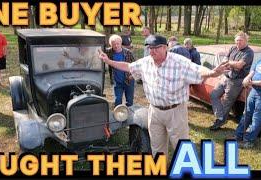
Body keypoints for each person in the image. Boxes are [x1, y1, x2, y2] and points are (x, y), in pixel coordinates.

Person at [98, 35, 229, 158]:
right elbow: (128, 66)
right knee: (156, 146)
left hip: (175, 112)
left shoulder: (179, 62)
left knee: (181, 145)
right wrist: (108, 61)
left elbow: (197, 69)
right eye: (150, 48)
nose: (152, 51)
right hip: (154, 111)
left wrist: (212, 73)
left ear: (165, 47)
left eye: (156, 48)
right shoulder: (146, 62)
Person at [209, 31, 254, 131]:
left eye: (240, 41)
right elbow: (225, 59)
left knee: (226, 102)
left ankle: (219, 122)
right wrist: (228, 63)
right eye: (237, 41)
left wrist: (229, 63)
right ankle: (220, 116)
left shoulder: (249, 52)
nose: (238, 43)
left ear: (246, 41)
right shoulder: (233, 48)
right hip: (225, 77)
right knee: (213, 94)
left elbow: (239, 65)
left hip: (237, 81)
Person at [234, 56, 261, 149]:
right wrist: (246, 79)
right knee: (246, 113)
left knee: (257, 117)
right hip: (254, 91)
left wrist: (252, 83)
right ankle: (238, 136)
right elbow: (252, 72)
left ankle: (248, 141)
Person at [105, 35, 135, 107]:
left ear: (121, 43)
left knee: (129, 101)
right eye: (113, 44)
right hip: (117, 81)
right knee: (117, 100)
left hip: (128, 80)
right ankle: (119, 116)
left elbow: (135, 65)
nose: (116, 46)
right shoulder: (109, 52)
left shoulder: (128, 53)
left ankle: (129, 115)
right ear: (111, 44)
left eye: (117, 43)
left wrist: (132, 76)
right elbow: (99, 51)